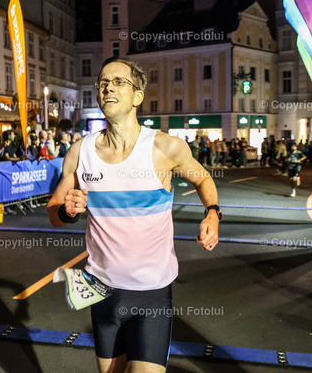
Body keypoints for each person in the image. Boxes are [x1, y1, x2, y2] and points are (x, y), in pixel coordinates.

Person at [47, 58, 220, 373]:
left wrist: (212, 214)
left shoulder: (165, 148)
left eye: (118, 82)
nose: (108, 87)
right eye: (103, 82)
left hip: (151, 295)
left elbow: (203, 178)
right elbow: (54, 214)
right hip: (101, 292)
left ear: (138, 96)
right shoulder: (80, 151)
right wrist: (68, 212)